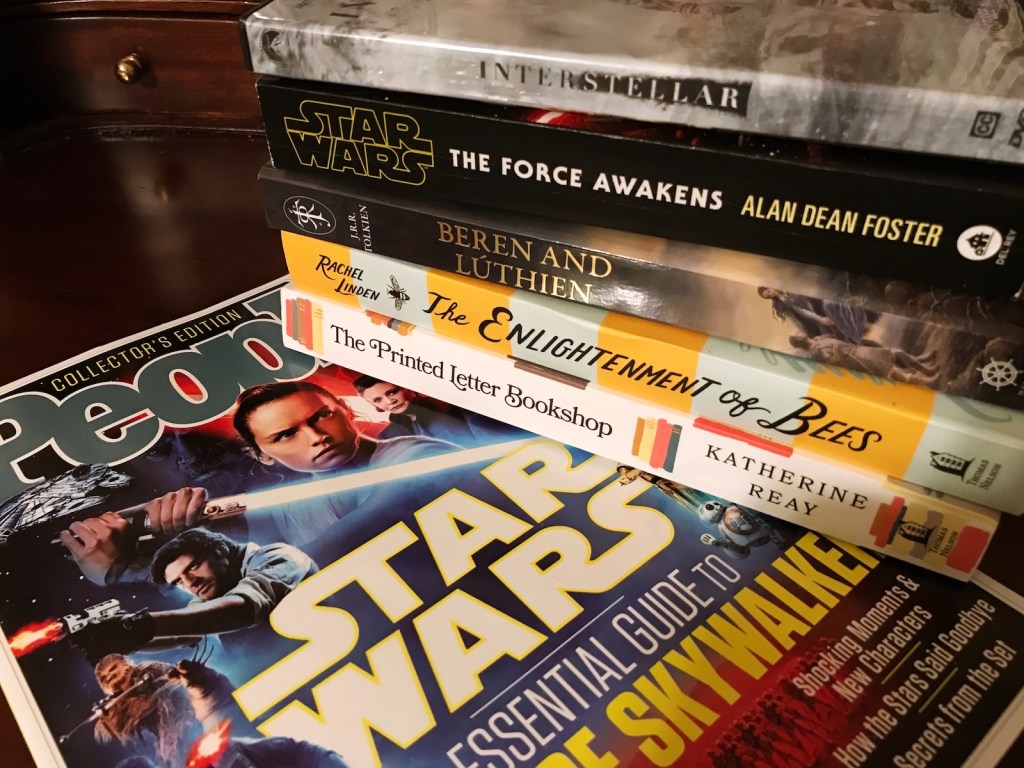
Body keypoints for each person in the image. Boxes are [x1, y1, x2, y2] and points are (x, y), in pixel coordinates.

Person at [60, 380, 459, 583]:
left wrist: (128, 570)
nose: (316, 436)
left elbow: (308, 564)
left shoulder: (417, 457)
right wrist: (114, 539)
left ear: (346, 411)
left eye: (321, 416)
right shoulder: (289, 503)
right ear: (264, 454)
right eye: (286, 435)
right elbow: (223, 557)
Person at [70, 528, 317, 663]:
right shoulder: (211, 595)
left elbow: (243, 608)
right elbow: (185, 632)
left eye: (193, 566)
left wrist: (138, 625)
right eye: (178, 581)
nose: (190, 583)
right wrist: (123, 642)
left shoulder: (276, 556)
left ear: (220, 552)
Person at [352, 374, 519, 445]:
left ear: (406, 387)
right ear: (375, 406)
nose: (390, 401)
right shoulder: (387, 437)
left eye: (392, 392)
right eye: (378, 400)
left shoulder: (453, 403)